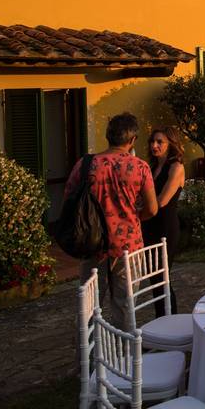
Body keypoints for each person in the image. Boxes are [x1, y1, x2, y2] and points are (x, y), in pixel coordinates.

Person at [65, 113, 157, 330]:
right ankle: (123, 357)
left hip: (93, 243)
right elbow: (152, 208)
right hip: (128, 245)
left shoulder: (86, 165)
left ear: (108, 137)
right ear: (132, 140)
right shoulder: (140, 167)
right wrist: (134, 218)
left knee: (87, 307)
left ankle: (86, 360)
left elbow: (68, 199)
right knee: (125, 305)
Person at [142, 126, 184, 317]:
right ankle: (162, 320)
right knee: (154, 278)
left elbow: (162, 201)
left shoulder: (176, 167)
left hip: (165, 227)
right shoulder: (152, 168)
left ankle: (169, 320)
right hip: (150, 226)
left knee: (162, 277)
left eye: (160, 142)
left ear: (171, 144)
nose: (154, 145)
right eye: (152, 141)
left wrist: (138, 212)